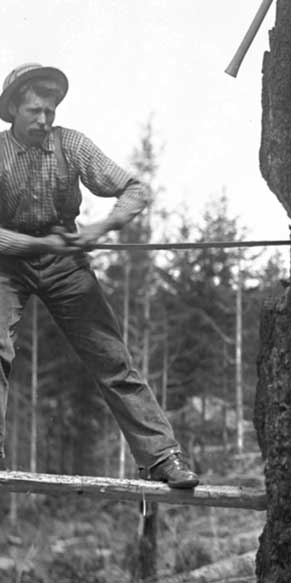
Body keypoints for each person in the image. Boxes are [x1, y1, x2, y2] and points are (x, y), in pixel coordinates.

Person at [0, 63, 198, 488]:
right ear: (13, 108)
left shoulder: (71, 144)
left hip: (65, 263)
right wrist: (38, 245)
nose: (44, 120)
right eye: (35, 111)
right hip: (7, 263)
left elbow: (135, 189)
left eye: (50, 111)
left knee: (111, 357)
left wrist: (101, 227)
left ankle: (162, 457)